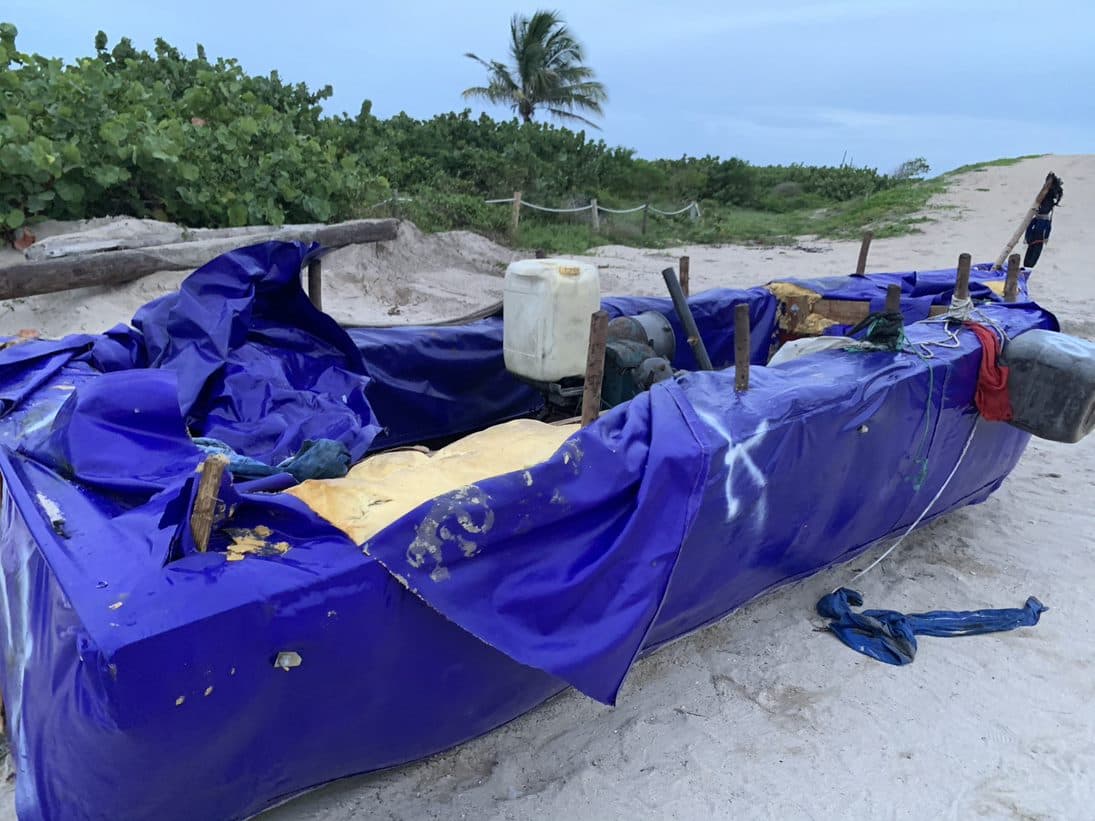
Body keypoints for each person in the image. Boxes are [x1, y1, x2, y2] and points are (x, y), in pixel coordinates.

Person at [1023, 173, 1063, 267]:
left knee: (1032, 254)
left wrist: (1028, 237)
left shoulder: (1040, 219)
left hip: (1036, 238)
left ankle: (1028, 265)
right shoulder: (1042, 220)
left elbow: (1031, 227)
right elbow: (1033, 227)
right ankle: (1028, 265)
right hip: (1037, 238)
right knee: (1033, 254)